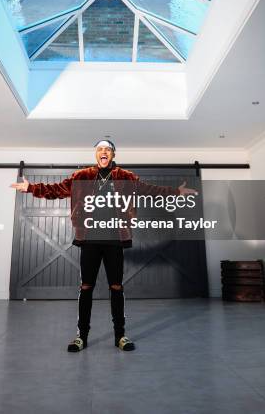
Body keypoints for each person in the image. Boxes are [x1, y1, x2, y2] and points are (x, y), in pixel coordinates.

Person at [10, 140, 196, 353]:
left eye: (107, 149)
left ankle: (120, 336)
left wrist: (175, 193)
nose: (103, 152)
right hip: (89, 238)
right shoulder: (82, 177)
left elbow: (148, 190)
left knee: (116, 287)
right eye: (100, 149)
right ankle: (81, 337)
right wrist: (30, 187)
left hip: (115, 239)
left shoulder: (126, 177)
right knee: (86, 288)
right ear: (96, 154)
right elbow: (56, 190)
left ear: (113, 154)